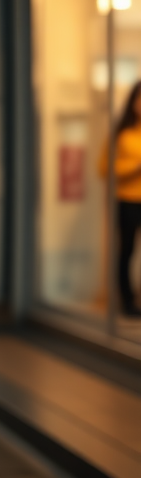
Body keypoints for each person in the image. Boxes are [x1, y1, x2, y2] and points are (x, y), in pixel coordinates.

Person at [108, 81, 141, 316]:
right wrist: (135, 168)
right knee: (127, 250)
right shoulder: (122, 134)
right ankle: (126, 301)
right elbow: (106, 169)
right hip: (128, 199)